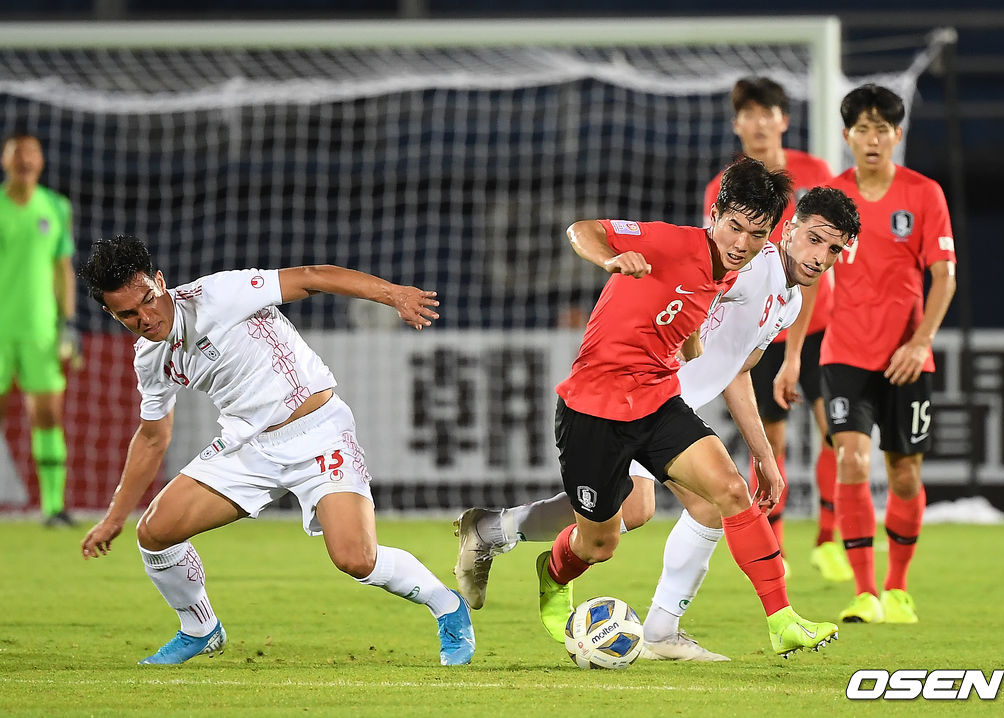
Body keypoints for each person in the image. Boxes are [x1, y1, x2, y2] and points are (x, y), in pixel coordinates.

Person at [455, 186, 859, 660]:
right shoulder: (752, 267)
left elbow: (736, 374)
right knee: (616, 526)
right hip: (629, 396)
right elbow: (688, 283)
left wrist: (764, 455)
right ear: (788, 230)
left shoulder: (787, 302)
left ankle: (673, 629)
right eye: (814, 239)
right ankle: (501, 533)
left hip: (665, 405)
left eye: (833, 249)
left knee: (714, 501)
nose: (820, 256)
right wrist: (672, 324)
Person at [78, 235, 475, 666]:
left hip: (319, 432)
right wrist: (115, 517)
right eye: (127, 315)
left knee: (356, 559)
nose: (144, 318)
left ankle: (447, 606)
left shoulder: (217, 294)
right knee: (154, 534)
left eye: (148, 301)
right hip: (249, 447)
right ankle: (200, 628)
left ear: (159, 280)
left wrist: (393, 294)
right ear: (111, 314)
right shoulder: (149, 357)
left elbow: (312, 278)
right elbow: (153, 436)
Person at [778, 84, 956, 624]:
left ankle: (899, 587)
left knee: (903, 474)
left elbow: (943, 275)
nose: (873, 139)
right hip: (843, 353)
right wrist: (791, 357)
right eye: (862, 129)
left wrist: (921, 339)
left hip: (906, 359)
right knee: (851, 460)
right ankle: (866, 593)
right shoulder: (831, 199)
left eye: (883, 129)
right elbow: (806, 281)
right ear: (847, 136)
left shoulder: (924, 194)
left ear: (897, 135)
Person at [703, 77, 850, 582]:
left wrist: (793, 352)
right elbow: (721, 265)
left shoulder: (813, 173)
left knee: (837, 432)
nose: (760, 122)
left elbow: (819, 262)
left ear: (784, 120)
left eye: (770, 112)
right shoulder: (724, 187)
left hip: (817, 327)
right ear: (737, 123)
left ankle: (829, 539)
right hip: (756, 328)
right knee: (771, 439)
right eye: (750, 113)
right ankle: (776, 545)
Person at [0, 132, 79, 527]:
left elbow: (61, 269)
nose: (25, 160)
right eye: (18, 154)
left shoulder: (56, 207)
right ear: (5, 160)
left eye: (32, 153)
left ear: (41, 162)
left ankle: (53, 507)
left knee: (48, 416)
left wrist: (70, 324)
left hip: (41, 331)